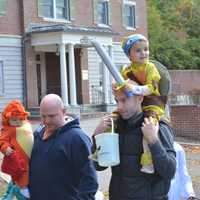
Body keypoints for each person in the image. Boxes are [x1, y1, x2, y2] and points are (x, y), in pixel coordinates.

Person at [92, 82, 176, 200]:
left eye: (124, 100)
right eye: (117, 101)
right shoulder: (115, 126)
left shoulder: (157, 126)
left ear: (140, 98)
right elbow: (98, 166)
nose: (119, 107)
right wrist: (97, 137)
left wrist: (153, 141)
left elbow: (169, 171)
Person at [29, 94, 98, 200]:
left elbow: (89, 180)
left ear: (63, 111)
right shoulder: (37, 134)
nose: (46, 121)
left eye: (52, 116)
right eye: (43, 116)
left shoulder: (77, 138)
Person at [119, 33, 169, 173]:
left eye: (146, 49)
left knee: (149, 126)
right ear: (129, 55)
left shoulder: (150, 68)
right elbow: (123, 88)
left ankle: (148, 160)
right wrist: (117, 87)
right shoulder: (126, 71)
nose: (144, 53)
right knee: (113, 118)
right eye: (138, 50)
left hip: (153, 102)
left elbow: (151, 87)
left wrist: (134, 88)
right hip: (137, 103)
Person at [0, 100, 33, 200]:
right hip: (19, 160)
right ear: (7, 119)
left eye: (20, 119)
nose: (18, 122)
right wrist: (5, 148)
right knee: (22, 176)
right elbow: (2, 140)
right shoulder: (9, 129)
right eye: (14, 120)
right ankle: (22, 192)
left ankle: (15, 190)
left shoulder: (26, 124)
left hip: (30, 157)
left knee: (25, 176)